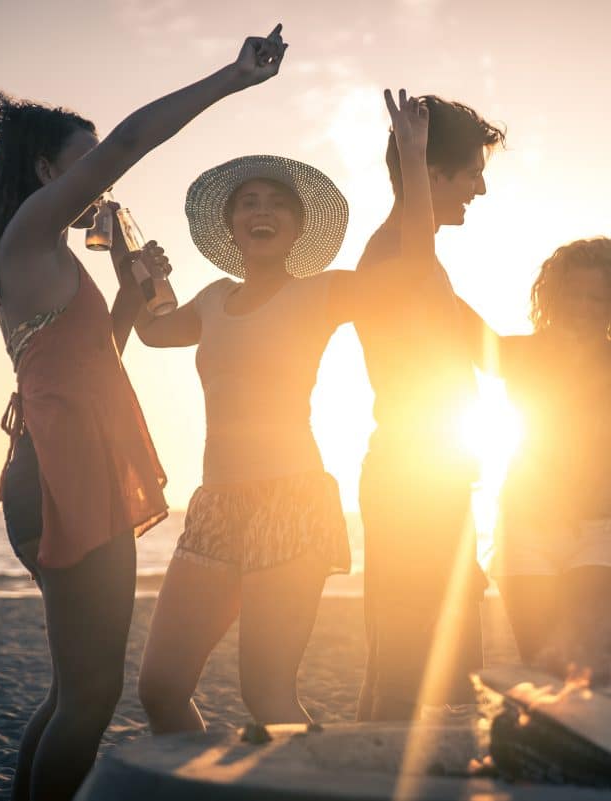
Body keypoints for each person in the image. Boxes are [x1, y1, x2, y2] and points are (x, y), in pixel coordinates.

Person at [0, 25, 289, 801]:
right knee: (91, 698)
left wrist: (130, 290)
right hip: (68, 477)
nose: (101, 176)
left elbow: (95, 361)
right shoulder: (30, 233)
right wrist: (231, 79)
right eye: (87, 161)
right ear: (47, 172)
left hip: (60, 467)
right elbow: (136, 138)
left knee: (71, 691)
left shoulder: (50, 254)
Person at [133, 90, 441, 730]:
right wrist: (133, 271)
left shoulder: (324, 293)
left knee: (266, 698)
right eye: (250, 202)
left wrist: (413, 157)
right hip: (215, 505)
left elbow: (413, 269)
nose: (263, 210)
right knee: (160, 689)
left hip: (291, 502)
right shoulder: (214, 298)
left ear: (300, 229)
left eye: (277, 204)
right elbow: (155, 330)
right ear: (233, 224)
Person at [353, 95, 506, 721]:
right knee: (418, 675)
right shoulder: (399, 251)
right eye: (471, 170)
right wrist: (412, 157)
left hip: (434, 482)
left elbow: (501, 354)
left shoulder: (427, 268)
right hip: (411, 482)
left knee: (412, 667)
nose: (482, 187)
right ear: (430, 174)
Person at [468, 237, 611, 687]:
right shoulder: (520, 354)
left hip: (600, 530)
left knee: (589, 669)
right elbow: (454, 329)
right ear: (555, 298)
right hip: (523, 528)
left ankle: (589, 753)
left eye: (598, 297)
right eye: (574, 295)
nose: (584, 307)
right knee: (543, 671)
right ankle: (552, 752)